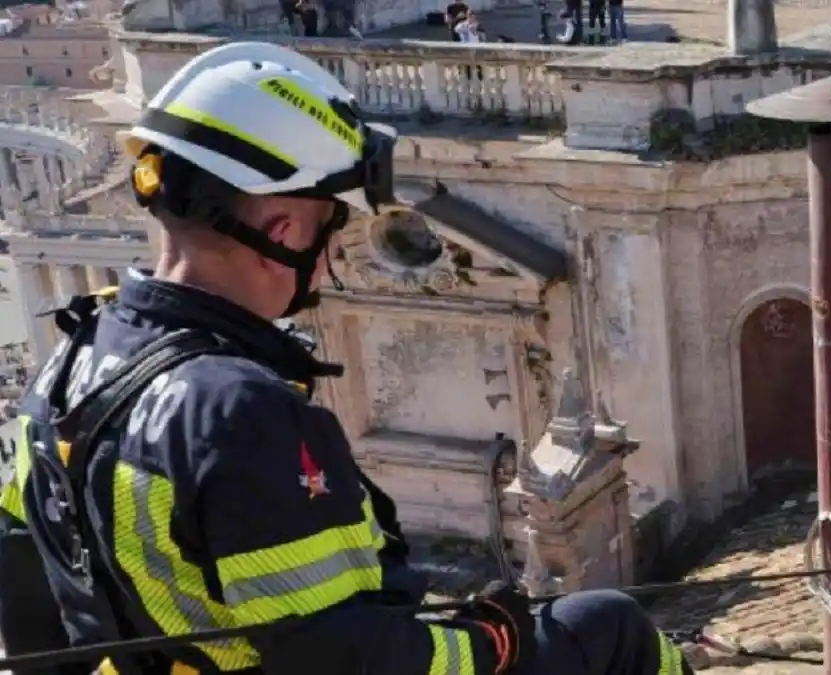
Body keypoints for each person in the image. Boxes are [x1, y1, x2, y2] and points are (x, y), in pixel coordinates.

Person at [0, 42, 692, 675]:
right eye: (335, 227)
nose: (333, 259)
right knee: (608, 625)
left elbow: (22, 579)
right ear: (284, 227)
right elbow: (349, 655)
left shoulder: (66, 363)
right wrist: (496, 638)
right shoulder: (237, 411)